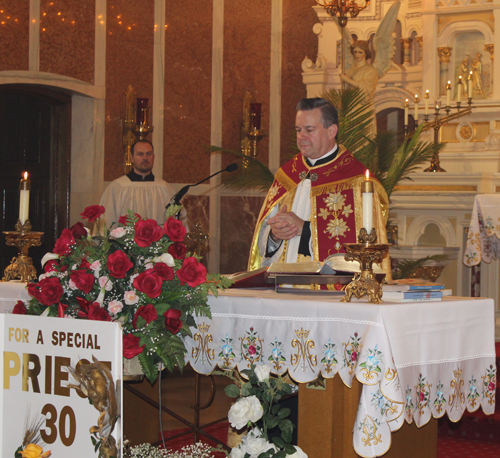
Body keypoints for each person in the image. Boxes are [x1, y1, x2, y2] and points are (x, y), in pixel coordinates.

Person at [247, 98, 390, 272]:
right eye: (298, 130)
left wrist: (304, 229)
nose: (301, 137)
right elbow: (263, 242)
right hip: (282, 285)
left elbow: (362, 247)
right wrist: (275, 236)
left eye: (309, 130)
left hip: (328, 292)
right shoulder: (287, 174)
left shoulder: (356, 181)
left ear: (331, 131)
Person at [98, 139, 175, 227]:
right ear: (132, 158)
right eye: (140, 154)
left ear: (153, 157)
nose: (145, 158)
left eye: (149, 154)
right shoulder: (118, 187)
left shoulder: (164, 188)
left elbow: (175, 221)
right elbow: (107, 222)